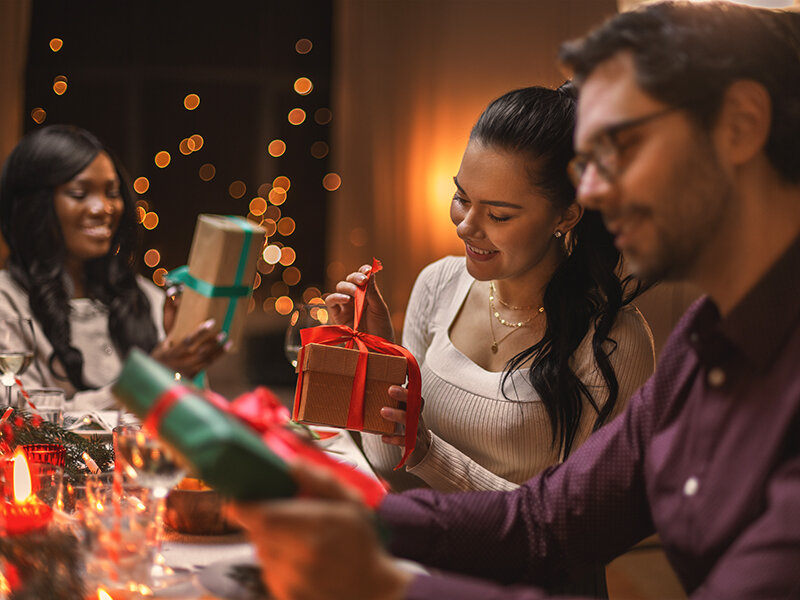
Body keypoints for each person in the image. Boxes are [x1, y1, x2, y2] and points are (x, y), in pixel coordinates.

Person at [232, 2, 800, 599]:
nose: (601, 190)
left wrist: (378, 581)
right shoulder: (705, 338)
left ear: (741, 132)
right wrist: (361, 515)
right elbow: (548, 521)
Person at [326, 85, 654, 499]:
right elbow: (388, 466)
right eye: (462, 198)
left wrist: (429, 451)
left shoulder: (613, 342)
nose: (465, 226)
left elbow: (573, 526)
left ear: (566, 215)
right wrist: (378, 356)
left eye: (498, 214)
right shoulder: (438, 285)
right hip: (421, 554)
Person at [0, 125, 226, 410]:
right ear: (35, 206)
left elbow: (195, 415)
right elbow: (22, 418)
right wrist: (150, 378)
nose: (103, 208)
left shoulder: (149, 298)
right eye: (80, 194)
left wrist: (183, 348)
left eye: (112, 192)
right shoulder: (7, 301)